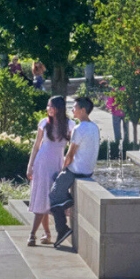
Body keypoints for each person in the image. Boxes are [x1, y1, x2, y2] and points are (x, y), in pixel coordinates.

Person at [48, 96, 100, 249]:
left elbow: (70, 155)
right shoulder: (94, 127)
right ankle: (67, 201)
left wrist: (62, 169)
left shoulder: (79, 128)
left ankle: (62, 229)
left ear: (83, 110)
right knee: (55, 180)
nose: (72, 109)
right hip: (88, 171)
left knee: (53, 195)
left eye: (75, 107)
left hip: (76, 171)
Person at [25, 96, 69, 246]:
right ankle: (35, 234)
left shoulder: (69, 124)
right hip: (42, 163)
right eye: (47, 106)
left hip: (57, 163)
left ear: (58, 108)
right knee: (42, 197)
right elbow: (36, 146)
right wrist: (30, 165)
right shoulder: (44, 123)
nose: (47, 108)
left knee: (49, 198)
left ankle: (46, 234)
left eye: (50, 106)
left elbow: (74, 146)